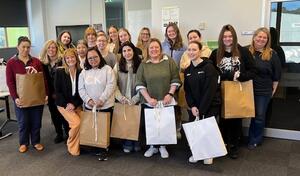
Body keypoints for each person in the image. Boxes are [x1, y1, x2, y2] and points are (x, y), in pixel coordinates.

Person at [209, 24, 256, 159]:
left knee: (235, 119)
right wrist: (228, 76)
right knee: (222, 118)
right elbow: (212, 73)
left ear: (234, 37)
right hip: (220, 91)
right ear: (221, 38)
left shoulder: (243, 52)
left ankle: (234, 145)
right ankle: (223, 143)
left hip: (238, 90)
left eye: (230, 36)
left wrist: (242, 76)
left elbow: (253, 71)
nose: (227, 39)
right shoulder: (215, 53)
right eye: (225, 36)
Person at [136, 38, 181, 159]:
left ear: (160, 49)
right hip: (150, 101)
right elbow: (139, 84)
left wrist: (170, 94)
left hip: (166, 100)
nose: (154, 49)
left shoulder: (168, 61)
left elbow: (175, 79)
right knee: (152, 124)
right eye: (151, 48)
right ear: (148, 50)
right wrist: (148, 99)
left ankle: (162, 146)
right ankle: (152, 147)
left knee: (164, 124)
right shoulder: (144, 64)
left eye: (156, 47)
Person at [6, 36, 47, 153]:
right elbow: (10, 82)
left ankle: (36, 141)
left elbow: (43, 79)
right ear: (17, 47)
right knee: (23, 122)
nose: (25, 49)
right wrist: (15, 98)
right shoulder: (11, 63)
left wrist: (45, 94)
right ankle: (23, 143)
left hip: (36, 97)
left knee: (36, 121)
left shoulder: (36, 62)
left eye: (28, 47)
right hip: (21, 99)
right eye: (23, 47)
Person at [184, 41, 220, 164]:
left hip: (210, 105)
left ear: (200, 51)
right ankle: (197, 153)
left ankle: (209, 153)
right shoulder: (188, 70)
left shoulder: (209, 67)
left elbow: (210, 90)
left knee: (207, 130)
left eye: (194, 50)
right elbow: (187, 91)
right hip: (196, 108)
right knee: (196, 131)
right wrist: (193, 106)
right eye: (189, 50)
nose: (191, 52)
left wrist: (202, 110)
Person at [78, 47, 116, 161]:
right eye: (90, 58)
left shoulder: (107, 69)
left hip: (105, 105)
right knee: (94, 127)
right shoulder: (84, 72)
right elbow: (81, 89)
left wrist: (102, 99)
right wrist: (88, 100)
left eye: (95, 57)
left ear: (100, 56)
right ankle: (95, 146)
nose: (93, 60)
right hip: (90, 106)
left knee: (105, 129)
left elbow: (111, 85)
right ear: (86, 60)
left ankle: (104, 149)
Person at [247, 27, 282, 149]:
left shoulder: (272, 54)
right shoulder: (246, 51)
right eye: (259, 36)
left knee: (259, 117)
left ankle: (255, 139)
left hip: (263, 91)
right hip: (246, 89)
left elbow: (276, 76)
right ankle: (243, 137)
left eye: (264, 37)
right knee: (244, 114)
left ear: (268, 40)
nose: (261, 39)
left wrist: (272, 91)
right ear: (254, 37)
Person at [113, 41, 141, 153]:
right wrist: (120, 98)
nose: (127, 53)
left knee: (135, 121)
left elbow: (144, 84)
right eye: (124, 51)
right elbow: (113, 84)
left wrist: (135, 99)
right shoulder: (118, 65)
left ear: (133, 51)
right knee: (125, 121)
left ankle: (136, 140)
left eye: (129, 50)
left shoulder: (141, 65)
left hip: (136, 99)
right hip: (123, 100)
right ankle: (127, 142)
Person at [40, 40, 69, 144]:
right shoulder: (43, 63)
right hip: (50, 93)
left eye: (53, 48)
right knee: (54, 114)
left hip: (62, 92)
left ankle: (68, 133)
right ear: (46, 50)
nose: (51, 50)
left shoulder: (62, 61)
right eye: (49, 48)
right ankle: (59, 133)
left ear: (57, 49)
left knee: (64, 114)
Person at [55, 48, 82, 156]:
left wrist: (74, 104)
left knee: (83, 123)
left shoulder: (81, 72)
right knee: (77, 123)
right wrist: (67, 104)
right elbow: (57, 91)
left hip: (76, 103)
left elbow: (81, 92)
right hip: (63, 104)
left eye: (72, 57)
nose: (70, 59)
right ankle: (71, 144)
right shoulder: (60, 71)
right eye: (67, 58)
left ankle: (77, 145)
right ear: (65, 60)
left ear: (76, 58)